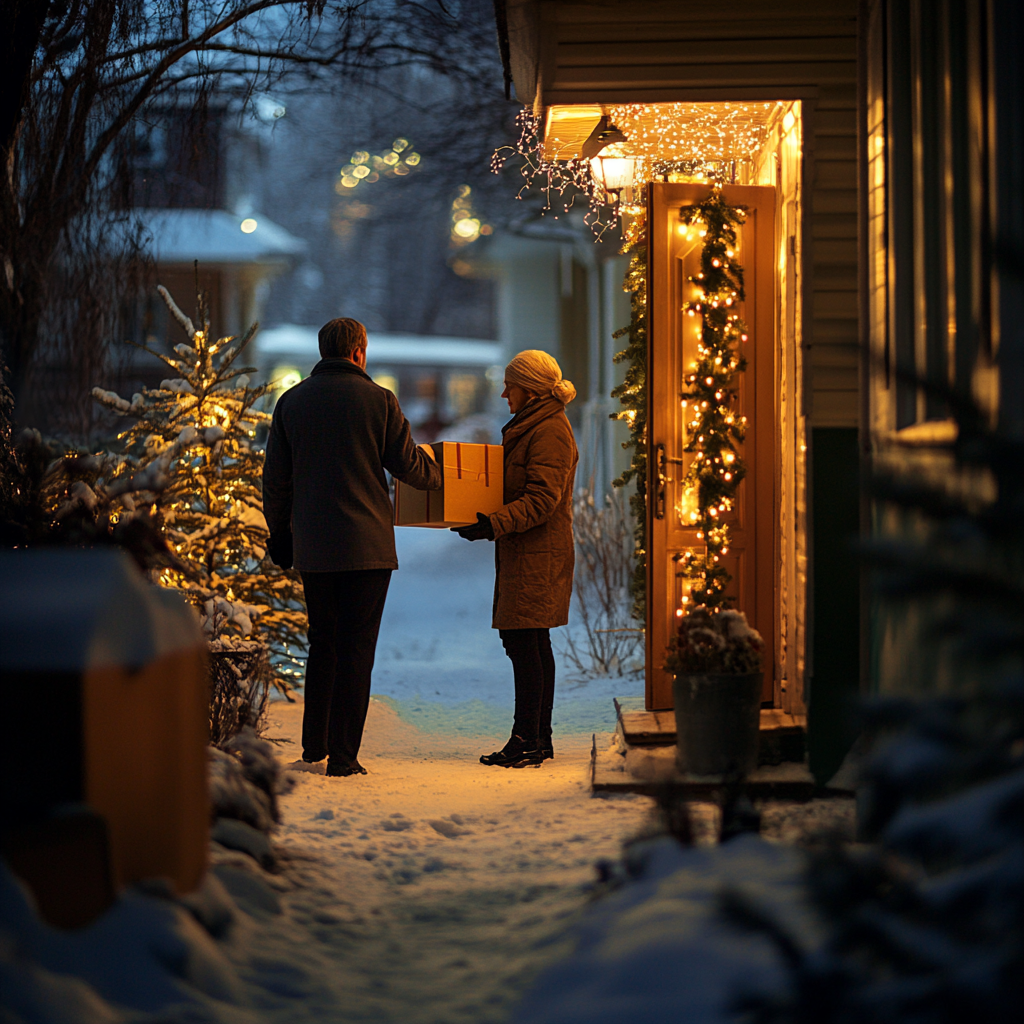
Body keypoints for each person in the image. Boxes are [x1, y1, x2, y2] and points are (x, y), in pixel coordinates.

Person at [263, 318, 441, 777]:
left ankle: (314, 744)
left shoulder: (291, 403)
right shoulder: (380, 401)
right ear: (359, 352)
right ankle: (344, 756)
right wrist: (445, 470)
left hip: (314, 546)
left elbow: (276, 481)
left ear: (324, 352)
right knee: (357, 647)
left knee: (322, 641)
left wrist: (280, 534)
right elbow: (410, 468)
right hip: (367, 548)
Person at [453, 349, 578, 768]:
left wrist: (494, 524)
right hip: (526, 550)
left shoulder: (549, 432)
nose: (505, 393)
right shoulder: (533, 425)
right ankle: (535, 738)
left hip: (538, 552)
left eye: (512, 386)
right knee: (527, 641)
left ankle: (528, 738)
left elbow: (543, 499)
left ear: (531, 389)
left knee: (526, 642)